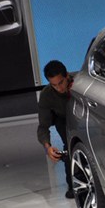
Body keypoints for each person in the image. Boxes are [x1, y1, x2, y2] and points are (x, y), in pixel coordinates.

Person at [37, 60, 74, 198]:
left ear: (67, 75)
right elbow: (43, 127)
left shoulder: (80, 84)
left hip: (85, 118)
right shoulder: (47, 95)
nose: (59, 88)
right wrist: (48, 147)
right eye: (54, 85)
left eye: (61, 82)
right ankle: (73, 186)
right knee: (70, 147)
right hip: (63, 120)